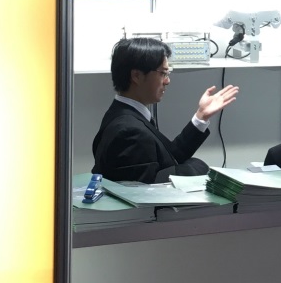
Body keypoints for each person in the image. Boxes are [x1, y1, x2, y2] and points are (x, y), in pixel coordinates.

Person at [92, 37, 239, 183]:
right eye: (163, 73)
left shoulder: (123, 114)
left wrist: (201, 116)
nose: (167, 81)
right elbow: (146, 189)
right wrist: (196, 167)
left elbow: (170, 156)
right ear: (136, 76)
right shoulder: (129, 131)